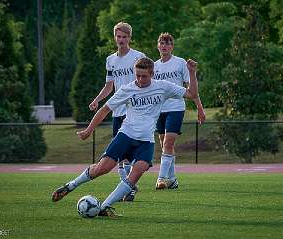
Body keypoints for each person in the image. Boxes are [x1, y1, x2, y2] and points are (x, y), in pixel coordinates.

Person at [51, 57, 204, 217]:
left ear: (152, 74)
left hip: (146, 141)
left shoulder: (163, 87)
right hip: (125, 136)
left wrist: (192, 73)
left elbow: (192, 93)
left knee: (137, 174)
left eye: (143, 76)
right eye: (137, 75)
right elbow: (104, 110)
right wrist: (89, 130)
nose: (139, 79)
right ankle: (70, 186)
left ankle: (104, 207)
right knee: (101, 169)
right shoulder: (127, 89)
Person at [89, 22, 145, 201]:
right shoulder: (110, 60)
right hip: (118, 110)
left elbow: (148, 80)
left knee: (128, 153)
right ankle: (129, 188)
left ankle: (129, 188)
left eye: (124, 37)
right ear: (115, 37)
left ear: (129, 38)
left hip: (135, 110)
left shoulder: (138, 57)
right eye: (118, 36)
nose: (121, 40)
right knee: (121, 156)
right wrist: (97, 99)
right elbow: (109, 86)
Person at [153, 33, 206, 190]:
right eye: (162, 43)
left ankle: (161, 179)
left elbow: (192, 90)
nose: (165, 46)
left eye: (168, 43)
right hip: (159, 109)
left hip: (176, 107)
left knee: (169, 142)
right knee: (164, 143)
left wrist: (200, 108)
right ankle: (173, 179)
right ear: (158, 45)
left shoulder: (180, 63)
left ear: (172, 47)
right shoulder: (154, 66)